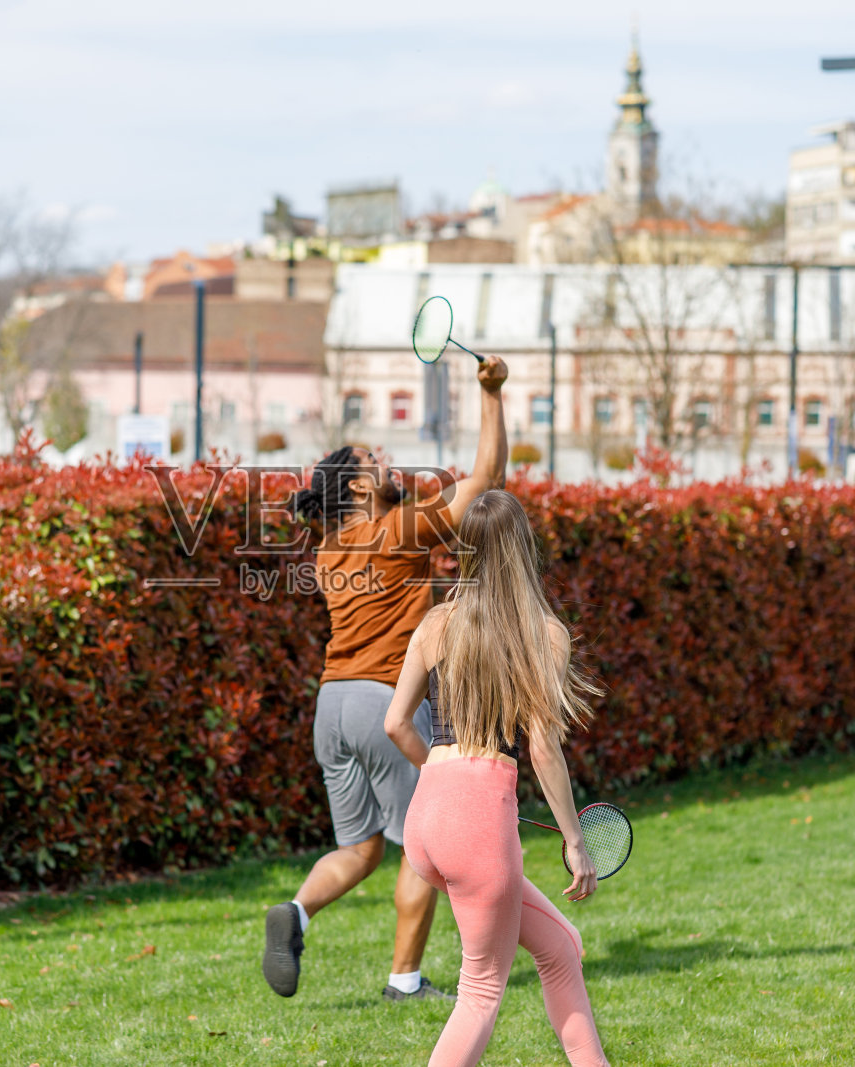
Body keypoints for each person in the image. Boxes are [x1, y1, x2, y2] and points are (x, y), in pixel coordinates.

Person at [261, 354, 508, 1002]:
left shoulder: (329, 547)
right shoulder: (394, 529)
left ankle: (297, 911)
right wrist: (492, 394)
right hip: (381, 705)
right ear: (360, 488)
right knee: (421, 846)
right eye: (374, 460)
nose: (387, 462)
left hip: (332, 706)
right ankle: (404, 980)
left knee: (361, 847)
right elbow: (484, 481)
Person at [382, 489, 609, 1067]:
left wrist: (444, 783)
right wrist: (575, 842)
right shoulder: (543, 632)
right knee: (480, 993)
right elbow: (543, 748)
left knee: (560, 947)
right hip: (475, 824)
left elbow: (395, 724)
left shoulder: (436, 621)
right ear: (522, 549)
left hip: (426, 820)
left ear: (468, 552)